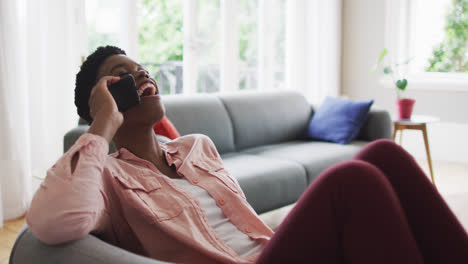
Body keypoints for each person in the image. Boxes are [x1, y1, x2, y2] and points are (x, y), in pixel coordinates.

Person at [26, 46, 468, 264]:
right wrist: (101, 126)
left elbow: (243, 224)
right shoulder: (106, 176)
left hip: (271, 252)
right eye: (121, 76)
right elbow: (54, 222)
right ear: (101, 101)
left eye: (140, 68)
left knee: (384, 154)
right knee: (350, 182)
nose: (141, 74)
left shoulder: (196, 147)